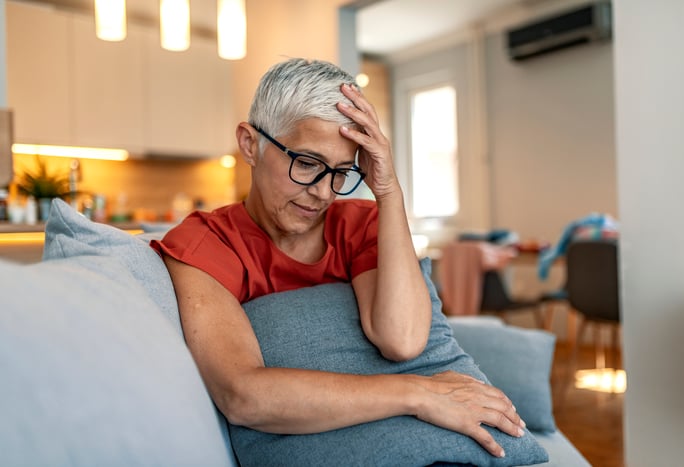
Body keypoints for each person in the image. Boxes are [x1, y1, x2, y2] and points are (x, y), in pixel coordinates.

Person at [151, 58, 524, 459]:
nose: (325, 192)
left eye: (342, 172)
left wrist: (389, 191)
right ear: (249, 144)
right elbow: (243, 396)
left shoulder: (360, 225)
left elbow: (403, 340)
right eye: (308, 163)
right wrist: (418, 393)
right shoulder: (204, 243)